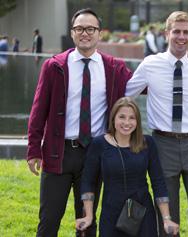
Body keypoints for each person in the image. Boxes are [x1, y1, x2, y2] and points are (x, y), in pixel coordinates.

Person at [26, 8, 132, 237]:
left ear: (99, 34)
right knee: (49, 219)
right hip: (58, 153)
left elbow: (145, 84)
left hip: (94, 154)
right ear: (72, 33)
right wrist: (34, 148)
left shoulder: (114, 67)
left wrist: (179, 59)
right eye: (80, 28)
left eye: (91, 29)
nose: (85, 33)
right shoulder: (54, 66)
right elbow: (38, 109)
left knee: (87, 221)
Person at [125, 11, 188, 237]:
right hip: (162, 144)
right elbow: (126, 96)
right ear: (167, 34)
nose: (181, 37)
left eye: (186, 32)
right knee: (165, 213)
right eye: (176, 31)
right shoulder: (149, 64)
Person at [75, 97, 180, 236]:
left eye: (132, 118)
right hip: (112, 212)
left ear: (137, 121)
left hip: (142, 212)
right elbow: (88, 181)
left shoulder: (147, 143)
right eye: (122, 117)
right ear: (113, 119)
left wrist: (166, 219)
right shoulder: (99, 144)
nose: (127, 122)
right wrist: (88, 215)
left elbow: (158, 182)